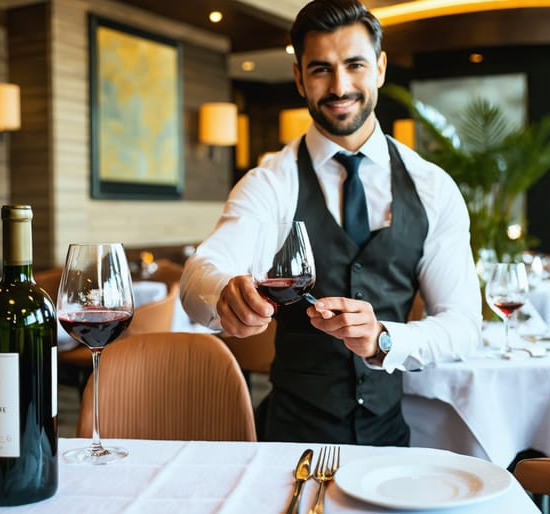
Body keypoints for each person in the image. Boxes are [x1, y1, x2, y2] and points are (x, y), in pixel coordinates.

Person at [180, 0, 481, 446]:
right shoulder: (270, 183)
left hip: (389, 443)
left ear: (379, 68)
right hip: (289, 444)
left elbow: (463, 326)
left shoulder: (432, 187)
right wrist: (223, 293)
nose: (340, 86)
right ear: (299, 78)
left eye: (354, 65)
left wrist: (383, 337)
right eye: (321, 69)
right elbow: (199, 274)